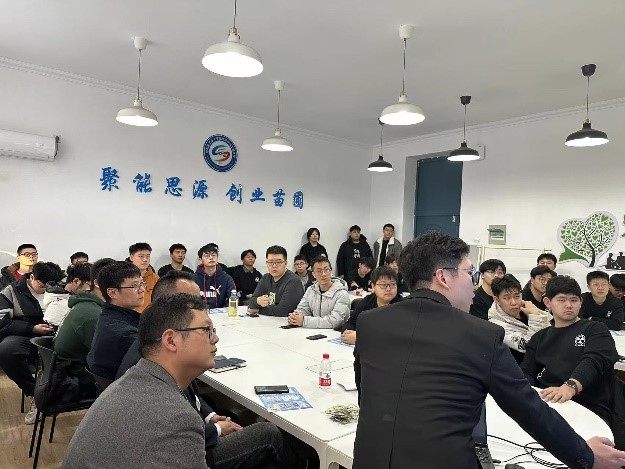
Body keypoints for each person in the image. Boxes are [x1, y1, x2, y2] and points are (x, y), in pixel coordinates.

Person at [353, 230, 625, 468]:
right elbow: (529, 409)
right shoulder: (480, 335)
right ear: (443, 277)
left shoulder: (370, 323)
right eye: (469, 273)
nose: (474, 284)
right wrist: (586, 456)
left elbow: (368, 396)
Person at [116, 271, 286, 469]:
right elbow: (179, 436)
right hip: (187, 452)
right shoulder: (160, 400)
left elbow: (190, 397)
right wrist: (215, 429)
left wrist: (210, 417)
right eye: (206, 330)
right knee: (267, 434)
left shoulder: (155, 359)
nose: (215, 338)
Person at [64, 294, 218, 468]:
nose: (215, 338)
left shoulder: (138, 377)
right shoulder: (174, 417)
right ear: (170, 340)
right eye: (207, 330)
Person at [521, 275, 618, 426]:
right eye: (561, 300)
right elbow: (527, 372)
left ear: (581, 302)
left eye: (574, 300)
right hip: (548, 403)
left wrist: (570, 386)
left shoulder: (595, 329)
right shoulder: (539, 338)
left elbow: (594, 360)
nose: (568, 305)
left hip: (588, 406)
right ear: (547, 302)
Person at [0, 262, 64, 424]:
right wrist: (32, 328)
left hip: (59, 332)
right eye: (42, 286)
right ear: (32, 277)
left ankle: (64, 393)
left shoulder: (61, 288)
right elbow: (2, 322)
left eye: (50, 286)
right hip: (27, 334)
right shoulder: (12, 291)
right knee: (6, 350)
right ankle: (36, 394)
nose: (45, 290)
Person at [54, 258, 116, 398]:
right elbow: (107, 358)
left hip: (70, 372)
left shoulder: (86, 305)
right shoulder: (92, 315)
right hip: (78, 381)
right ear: (98, 284)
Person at [86, 261, 145, 380]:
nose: (142, 289)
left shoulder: (110, 317)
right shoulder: (124, 334)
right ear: (112, 292)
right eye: (134, 286)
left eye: (142, 283)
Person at [487, 274, 551, 364]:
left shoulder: (526, 309)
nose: (513, 302)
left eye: (517, 296)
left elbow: (551, 329)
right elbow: (528, 346)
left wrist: (536, 313)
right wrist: (535, 317)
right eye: (506, 298)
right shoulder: (496, 327)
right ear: (496, 300)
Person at [341, 266, 403, 345]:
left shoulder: (401, 306)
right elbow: (351, 322)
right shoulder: (368, 301)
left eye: (392, 284)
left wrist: (361, 338)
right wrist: (347, 332)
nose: (388, 289)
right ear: (373, 286)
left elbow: (393, 336)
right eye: (383, 285)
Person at [287, 257, 350, 329]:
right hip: (314, 331)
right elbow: (303, 309)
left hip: (336, 333)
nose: (323, 274)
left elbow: (335, 321)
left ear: (331, 271)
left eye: (326, 270)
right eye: (319, 271)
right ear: (313, 274)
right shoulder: (311, 290)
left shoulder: (342, 294)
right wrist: (295, 317)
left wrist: (304, 321)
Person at [248, 246, 304, 317]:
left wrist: (258, 310)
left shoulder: (294, 281)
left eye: (278, 262)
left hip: (285, 321)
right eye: (270, 262)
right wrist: (258, 301)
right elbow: (251, 302)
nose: (274, 266)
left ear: (286, 263)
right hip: (268, 320)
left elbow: (283, 311)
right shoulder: (265, 277)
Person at [194, 244, 236, 309]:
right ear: (200, 260)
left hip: (221, 312)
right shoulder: (194, 278)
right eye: (207, 256)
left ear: (217, 259)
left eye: (213, 255)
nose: (211, 258)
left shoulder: (226, 278)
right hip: (200, 312)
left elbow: (233, 297)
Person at [128, 242, 159, 313]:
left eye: (148, 256)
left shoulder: (155, 278)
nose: (145, 259)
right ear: (131, 257)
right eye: (141, 256)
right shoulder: (125, 277)